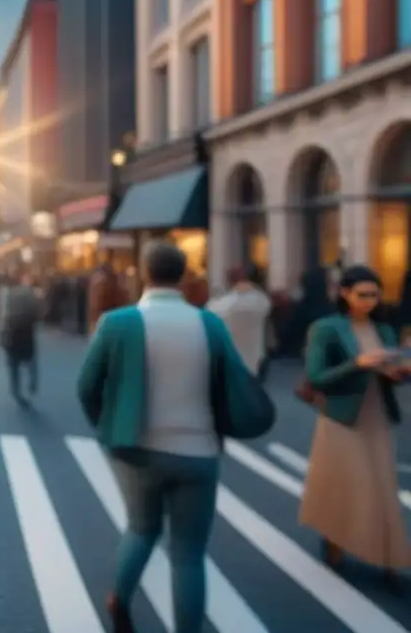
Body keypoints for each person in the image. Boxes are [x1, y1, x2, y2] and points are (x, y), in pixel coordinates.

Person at [77, 242, 270, 633]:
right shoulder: (210, 323)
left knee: (141, 528)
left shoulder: (117, 323)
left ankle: (119, 598)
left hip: (136, 449)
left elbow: (86, 387)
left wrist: (108, 426)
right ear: (183, 275)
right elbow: (234, 378)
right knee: (189, 554)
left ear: (145, 273)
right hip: (198, 451)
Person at [300, 264, 409, 590]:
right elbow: (317, 377)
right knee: (343, 486)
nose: (369, 301)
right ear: (345, 293)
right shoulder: (327, 328)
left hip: (377, 416)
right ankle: (335, 541)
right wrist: (358, 363)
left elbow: (392, 372)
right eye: (362, 295)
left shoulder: (386, 331)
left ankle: (389, 557)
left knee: (382, 489)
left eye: (375, 295)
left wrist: (398, 371)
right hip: (340, 418)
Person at [207, 265, 272, 380]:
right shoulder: (260, 299)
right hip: (256, 356)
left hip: (230, 356)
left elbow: (210, 313)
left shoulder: (222, 304)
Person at [0, 272, 40, 404]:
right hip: (26, 329)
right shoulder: (30, 293)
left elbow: (5, 314)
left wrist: (3, 330)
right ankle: (32, 382)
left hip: (13, 330)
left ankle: (16, 390)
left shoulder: (8, 295)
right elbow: (36, 310)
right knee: (31, 359)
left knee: (13, 363)